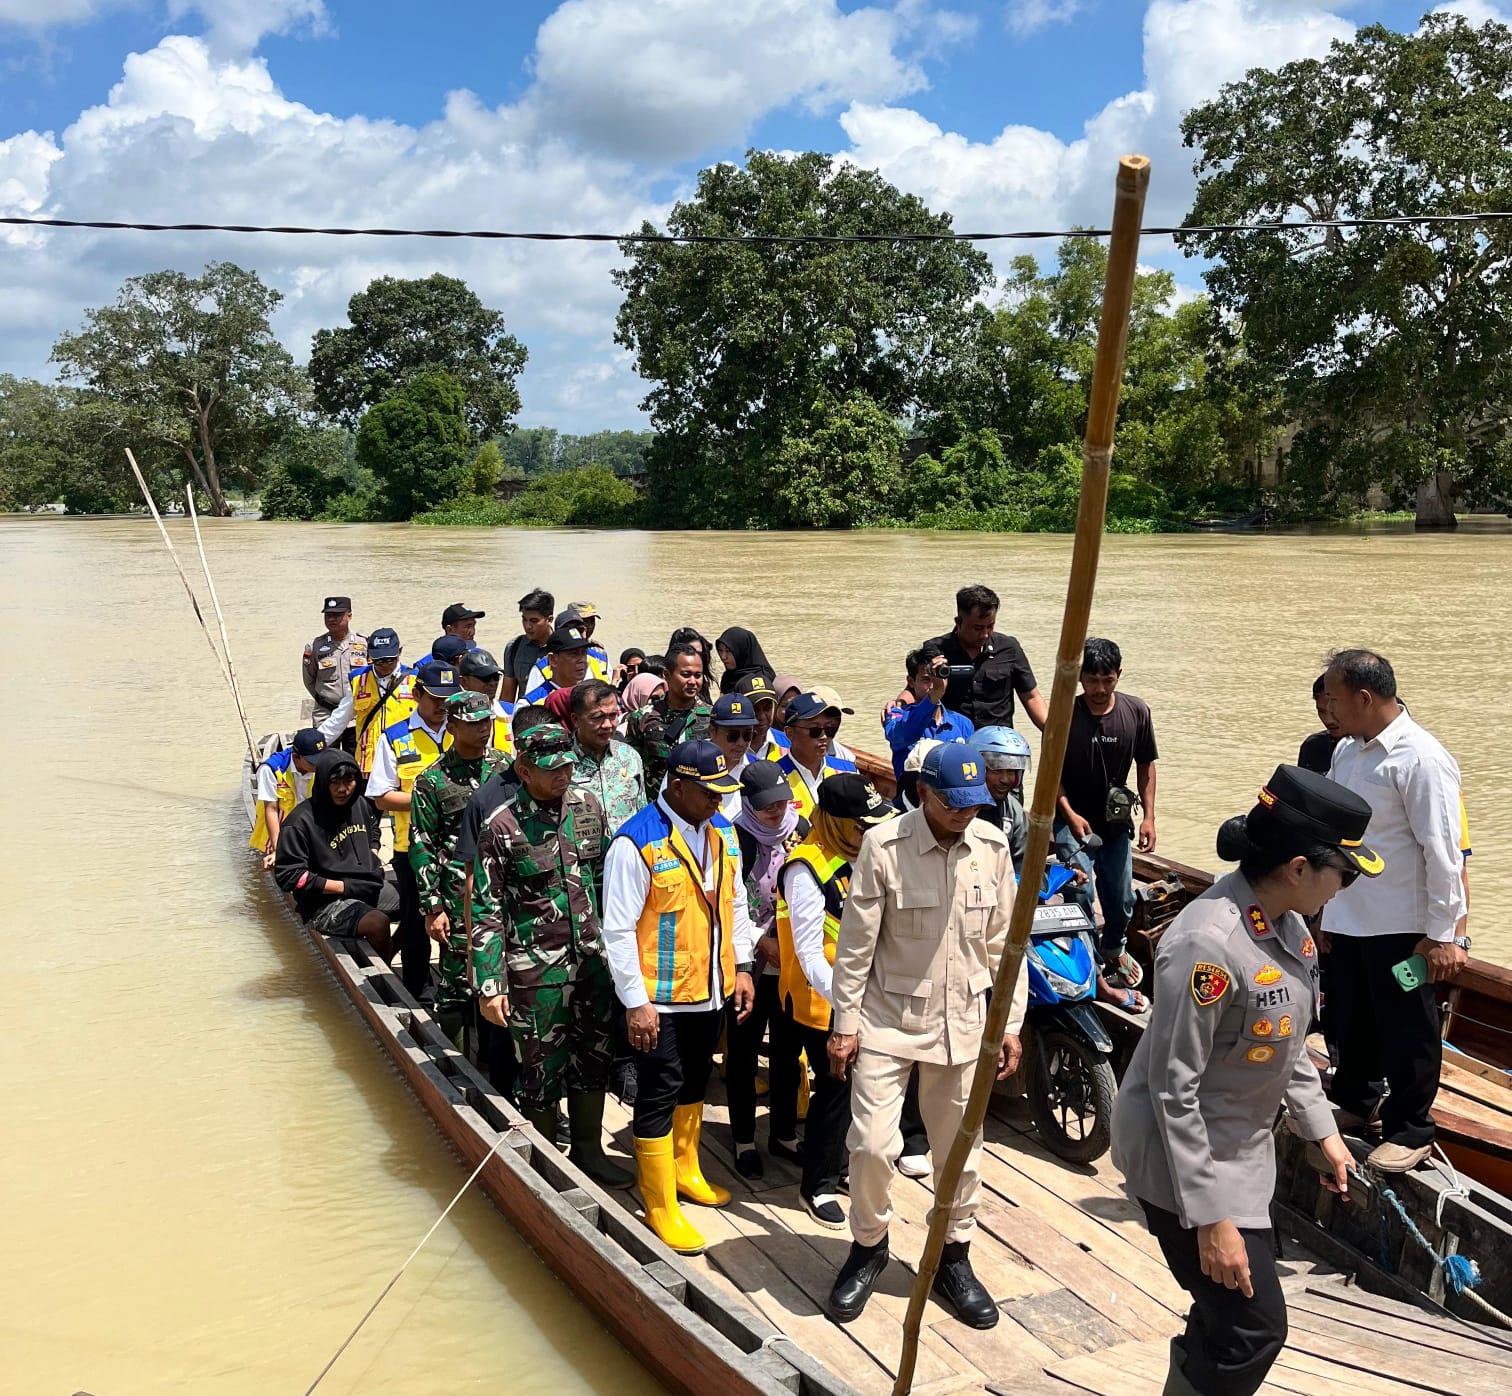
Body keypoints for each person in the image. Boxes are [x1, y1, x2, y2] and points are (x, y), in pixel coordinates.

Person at [1112, 764, 1372, 1396]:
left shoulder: (1288, 929)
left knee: (1227, 1318)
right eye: (1345, 872)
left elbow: (1285, 1048)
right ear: (1299, 868)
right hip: (1182, 1163)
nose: (1347, 887)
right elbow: (1174, 1092)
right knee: (1253, 1328)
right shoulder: (1209, 944)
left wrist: (1323, 1135)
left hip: (1240, 1150)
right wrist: (1211, 1220)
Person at [826, 744, 1026, 1327]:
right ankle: (868, 1247)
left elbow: (1004, 947)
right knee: (870, 1146)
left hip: (963, 1025)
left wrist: (1008, 1023)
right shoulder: (882, 848)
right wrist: (844, 1027)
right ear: (923, 795)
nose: (966, 813)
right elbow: (856, 947)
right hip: (888, 1021)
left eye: (974, 804)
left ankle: (952, 1258)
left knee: (959, 1153)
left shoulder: (990, 848)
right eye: (954, 804)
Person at [601, 740, 757, 1254]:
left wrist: (743, 967)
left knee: (694, 1080)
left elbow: (735, 904)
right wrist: (636, 1002)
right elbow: (618, 930)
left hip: (711, 990)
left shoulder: (724, 834)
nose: (718, 801)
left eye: (722, 792)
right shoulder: (636, 842)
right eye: (708, 792)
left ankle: (686, 1168)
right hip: (660, 999)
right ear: (677, 785)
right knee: (659, 1089)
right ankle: (659, 1201)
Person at [1322, 649, 1467, 1172]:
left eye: (1335, 700)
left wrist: (1446, 933)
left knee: (1408, 1025)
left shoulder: (1420, 758)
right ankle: (1357, 1103)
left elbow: (1444, 849)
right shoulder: (1348, 753)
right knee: (1352, 1016)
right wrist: (1321, 907)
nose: (1329, 711)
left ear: (1365, 698)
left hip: (1402, 923)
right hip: (1349, 910)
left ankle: (1411, 1128)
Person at [472, 715, 630, 1187]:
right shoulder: (500, 828)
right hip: (535, 971)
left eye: (567, 766)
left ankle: (587, 1151)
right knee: (540, 1069)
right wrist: (490, 984)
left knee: (594, 1057)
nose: (563, 776)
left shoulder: (586, 806)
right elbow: (485, 910)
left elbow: (608, 881)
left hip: (592, 964)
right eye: (551, 769)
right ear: (523, 770)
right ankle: (547, 1168)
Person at [779, 773, 896, 1228]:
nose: (868, 833)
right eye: (859, 825)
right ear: (832, 822)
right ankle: (817, 1187)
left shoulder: (863, 856)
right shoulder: (805, 869)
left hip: (863, 1000)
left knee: (855, 1094)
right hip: (819, 1002)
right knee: (834, 1093)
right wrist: (850, 1004)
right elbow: (809, 953)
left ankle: (839, 1168)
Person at [409, 690, 512, 1053]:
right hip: (456, 895)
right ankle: (453, 1061)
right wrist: (432, 907)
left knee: (502, 973)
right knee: (455, 983)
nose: (483, 729)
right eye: (474, 723)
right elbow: (421, 845)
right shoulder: (431, 781)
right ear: (452, 726)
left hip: (504, 889)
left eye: (487, 722)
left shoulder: (506, 767)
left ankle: (495, 1058)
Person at [1055, 637, 1159, 987]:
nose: (1099, 688)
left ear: (1119, 675)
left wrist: (1148, 816)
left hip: (1116, 824)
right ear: (1079, 678)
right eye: (1092, 680)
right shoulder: (1064, 714)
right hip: (1073, 822)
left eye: (1107, 679)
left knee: (1122, 898)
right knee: (1080, 892)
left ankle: (1113, 947)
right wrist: (1069, 813)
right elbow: (1050, 776)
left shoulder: (1137, 712)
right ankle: (1085, 953)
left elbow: (1146, 765)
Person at [726, 761, 808, 1179]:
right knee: (742, 1053)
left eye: (781, 801)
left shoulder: (803, 830)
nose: (775, 811)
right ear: (746, 803)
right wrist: (760, 941)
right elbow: (728, 901)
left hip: (794, 963)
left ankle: (784, 1134)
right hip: (749, 964)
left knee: (787, 1052)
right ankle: (742, 1139)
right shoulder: (732, 837)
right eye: (765, 806)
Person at [367, 658, 458, 1001]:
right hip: (410, 846)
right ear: (417, 694)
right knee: (414, 918)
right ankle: (417, 986)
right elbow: (380, 796)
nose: (442, 706)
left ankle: (455, 984)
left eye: (449, 699)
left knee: (460, 917)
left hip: (460, 846)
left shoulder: (462, 730)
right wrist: (428, 800)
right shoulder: (395, 738)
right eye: (435, 698)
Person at [273, 747, 397, 958]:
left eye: (349, 781)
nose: (343, 789)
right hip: (324, 904)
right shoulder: (300, 822)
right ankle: (384, 981)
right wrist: (345, 887)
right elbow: (289, 875)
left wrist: (372, 855)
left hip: (367, 886)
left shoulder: (359, 804)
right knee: (378, 923)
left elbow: (374, 829)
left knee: (419, 905)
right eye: (335, 783)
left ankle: (389, 952)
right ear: (322, 782)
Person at [915, 584, 1047, 732]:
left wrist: (1052, 730)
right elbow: (916, 687)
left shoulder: (1009, 648)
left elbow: (1031, 696)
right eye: (978, 628)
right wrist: (898, 703)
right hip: (952, 740)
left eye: (990, 626)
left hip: (999, 742)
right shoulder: (935, 650)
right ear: (958, 622)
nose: (985, 634)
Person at [317, 626, 415, 776]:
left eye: (389, 660)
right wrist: (311, 746)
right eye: (379, 661)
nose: (385, 666)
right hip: (369, 765)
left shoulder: (415, 680)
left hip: (405, 761)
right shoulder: (358, 680)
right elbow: (338, 720)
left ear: (400, 652)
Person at [623, 642, 712, 791]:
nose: (692, 682)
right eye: (685, 675)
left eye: (698, 675)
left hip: (699, 805)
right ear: (667, 676)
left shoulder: (713, 718)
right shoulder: (641, 718)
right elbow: (630, 770)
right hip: (656, 806)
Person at [883, 646, 975, 780]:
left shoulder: (963, 723)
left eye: (938, 677)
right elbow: (903, 735)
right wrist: (934, 696)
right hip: (913, 797)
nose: (934, 685)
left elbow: (971, 770)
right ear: (911, 682)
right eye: (927, 679)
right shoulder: (896, 715)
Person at [570, 678, 647, 834]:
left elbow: (641, 813)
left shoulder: (629, 757)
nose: (608, 725)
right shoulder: (562, 763)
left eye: (613, 716)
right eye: (597, 717)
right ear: (576, 720)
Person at [777, 690, 858, 821]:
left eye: (829, 729)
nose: (824, 737)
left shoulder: (848, 771)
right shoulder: (775, 778)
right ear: (789, 733)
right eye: (815, 730)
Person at [250, 727, 325, 866]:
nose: (318, 765)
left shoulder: (321, 766)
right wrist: (279, 850)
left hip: (305, 825)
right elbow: (271, 810)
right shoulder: (271, 770)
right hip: (278, 829)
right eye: (313, 761)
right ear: (296, 757)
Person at [303, 596, 368, 743]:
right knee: (325, 760)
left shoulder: (364, 643)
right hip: (325, 714)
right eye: (328, 615)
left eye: (337, 615)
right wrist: (326, 698)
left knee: (354, 760)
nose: (332, 619)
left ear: (349, 616)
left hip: (356, 713)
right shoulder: (315, 646)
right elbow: (309, 680)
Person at [968, 726, 1031, 867]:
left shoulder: (1013, 811)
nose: (1005, 779)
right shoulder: (957, 809)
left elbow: (1021, 861)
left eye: (1011, 771)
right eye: (997, 770)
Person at [708, 692, 759, 819]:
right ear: (712, 731)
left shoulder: (758, 770)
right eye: (733, 736)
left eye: (747, 735)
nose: (741, 743)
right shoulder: (690, 764)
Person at [458, 648, 516, 758]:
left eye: (496, 677)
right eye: (485, 678)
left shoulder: (512, 713)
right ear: (464, 682)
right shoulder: (454, 717)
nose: (492, 683)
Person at [501, 589, 555, 703]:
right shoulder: (514, 647)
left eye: (534, 621)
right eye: (524, 620)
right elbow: (507, 695)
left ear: (549, 620)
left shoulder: (563, 648)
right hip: (524, 716)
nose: (528, 626)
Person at [523, 622, 594, 705]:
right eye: (574, 653)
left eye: (584, 652)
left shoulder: (591, 698)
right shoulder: (532, 705)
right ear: (552, 660)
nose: (582, 659)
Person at [737, 674, 788, 763]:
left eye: (767, 708)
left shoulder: (787, 743)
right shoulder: (731, 747)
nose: (761, 716)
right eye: (754, 709)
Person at [1297, 674, 1341, 775]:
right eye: (1321, 711)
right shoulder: (1313, 746)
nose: (1328, 720)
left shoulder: (1376, 748)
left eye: (1334, 711)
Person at [558, 602, 613, 681]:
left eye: (592, 621)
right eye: (584, 621)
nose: (589, 626)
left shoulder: (599, 652)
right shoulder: (557, 652)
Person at [716, 626, 776, 694]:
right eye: (720, 650)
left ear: (742, 651)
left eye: (728, 651)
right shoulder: (728, 677)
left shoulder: (761, 680)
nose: (723, 657)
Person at [666, 627, 715, 702]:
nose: (696, 658)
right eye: (690, 652)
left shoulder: (700, 683)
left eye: (700, 654)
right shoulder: (661, 684)